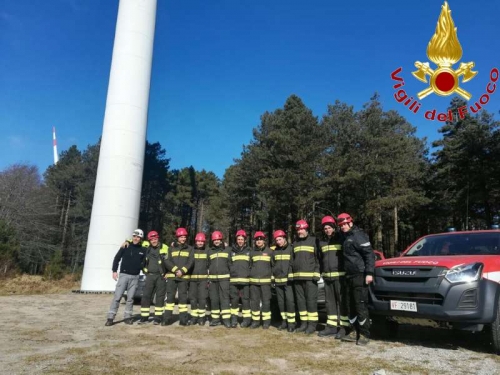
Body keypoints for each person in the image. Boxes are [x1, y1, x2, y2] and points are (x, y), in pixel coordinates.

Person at [337, 213, 375, 346]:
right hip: (348, 275)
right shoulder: (345, 237)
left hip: (360, 275)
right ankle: (354, 331)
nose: (343, 227)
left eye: (344, 225)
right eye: (340, 225)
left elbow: (369, 255)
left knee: (360, 304)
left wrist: (369, 273)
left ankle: (364, 333)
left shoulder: (359, 235)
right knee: (350, 304)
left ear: (350, 223)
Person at [105, 229, 146, 326]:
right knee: (117, 297)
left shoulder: (143, 249)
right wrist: (114, 271)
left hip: (135, 276)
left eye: (138, 237)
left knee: (130, 298)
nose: (136, 238)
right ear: (132, 237)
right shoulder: (125, 246)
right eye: (135, 236)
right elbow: (117, 258)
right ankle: (110, 317)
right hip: (124, 275)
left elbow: (144, 263)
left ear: (141, 238)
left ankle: (127, 317)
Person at [318, 216, 349, 339]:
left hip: (340, 277)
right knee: (329, 303)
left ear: (334, 227)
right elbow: (320, 259)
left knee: (341, 303)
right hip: (327, 278)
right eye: (325, 228)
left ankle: (344, 327)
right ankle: (331, 327)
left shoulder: (342, 239)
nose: (327, 230)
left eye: (329, 227)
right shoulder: (322, 242)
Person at [292, 219, 320, 334]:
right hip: (297, 278)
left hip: (310, 278)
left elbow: (318, 258)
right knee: (301, 301)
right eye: (298, 230)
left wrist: (317, 272)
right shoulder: (295, 243)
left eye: (302, 229)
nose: (300, 232)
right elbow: (292, 259)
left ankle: (312, 325)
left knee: (311, 301)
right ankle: (303, 323)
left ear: (307, 229)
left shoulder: (314, 241)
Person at [163, 227, 194, 326]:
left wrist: (183, 271)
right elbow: (167, 261)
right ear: (177, 237)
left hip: (183, 278)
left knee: (183, 299)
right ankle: (167, 319)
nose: (183, 239)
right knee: (170, 299)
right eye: (181, 237)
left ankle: (183, 320)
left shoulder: (190, 249)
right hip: (172, 277)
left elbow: (191, 262)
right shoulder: (171, 248)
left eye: (184, 237)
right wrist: (176, 270)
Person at [138, 231, 169, 325]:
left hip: (161, 276)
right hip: (150, 275)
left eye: (155, 239)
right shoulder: (146, 248)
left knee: (160, 297)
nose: (154, 241)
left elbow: (170, 261)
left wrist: (167, 272)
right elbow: (135, 239)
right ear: (149, 240)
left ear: (158, 238)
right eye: (152, 239)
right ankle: (144, 317)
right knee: (146, 296)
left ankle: (158, 318)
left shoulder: (165, 247)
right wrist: (127, 241)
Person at [271, 230, 296, 332]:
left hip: (288, 281)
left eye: (280, 239)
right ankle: (284, 321)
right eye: (277, 240)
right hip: (278, 281)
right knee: (281, 302)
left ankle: (291, 323)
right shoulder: (275, 251)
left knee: (290, 301)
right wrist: (273, 278)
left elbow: (292, 263)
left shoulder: (291, 249)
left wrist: (290, 276)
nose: (278, 242)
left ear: (284, 238)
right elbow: (273, 265)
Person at [249, 231, 273, 329]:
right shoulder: (252, 252)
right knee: (254, 302)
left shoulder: (270, 252)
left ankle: (266, 321)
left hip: (266, 282)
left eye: (261, 239)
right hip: (254, 282)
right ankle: (255, 321)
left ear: (264, 241)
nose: (259, 241)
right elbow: (249, 266)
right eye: (257, 240)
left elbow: (273, 266)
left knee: (266, 302)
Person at [207, 231, 232, 328]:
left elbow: (231, 263)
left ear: (221, 240)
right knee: (214, 299)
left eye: (218, 239)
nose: (217, 241)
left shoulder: (228, 250)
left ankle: (226, 320)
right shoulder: (209, 251)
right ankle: (215, 319)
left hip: (224, 279)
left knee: (225, 299)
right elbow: (207, 264)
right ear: (213, 241)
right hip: (213, 280)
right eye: (215, 240)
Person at [229, 229, 251, 328]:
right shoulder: (231, 251)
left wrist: (248, 274)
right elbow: (228, 264)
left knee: (245, 301)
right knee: (234, 300)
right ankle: (234, 319)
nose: (240, 241)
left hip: (245, 281)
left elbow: (252, 265)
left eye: (242, 239)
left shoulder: (250, 251)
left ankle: (246, 320)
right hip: (233, 281)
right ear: (236, 240)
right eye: (238, 239)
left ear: (245, 240)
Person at [188, 232, 209, 326]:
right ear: (195, 242)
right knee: (193, 299)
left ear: (204, 242)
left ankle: (201, 317)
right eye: (198, 241)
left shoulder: (207, 251)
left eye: (202, 241)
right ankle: (194, 317)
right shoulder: (191, 250)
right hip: (192, 279)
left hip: (203, 280)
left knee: (202, 299)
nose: (200, 243)